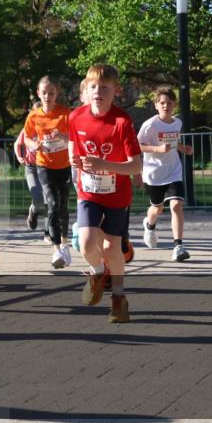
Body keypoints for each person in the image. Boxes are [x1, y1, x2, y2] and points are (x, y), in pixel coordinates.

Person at [68, 64, 142, 323]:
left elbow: (136, 165)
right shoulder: (76, 117)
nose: (98, 91)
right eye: (93, 87)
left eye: (105, 87)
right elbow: (76, 150)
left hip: (117, 196)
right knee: (86, 243)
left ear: (116, 92)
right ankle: (98, 273)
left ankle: (119, 299)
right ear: (86, 90)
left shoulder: (122, 122)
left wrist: (104, 165)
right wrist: (76, 166)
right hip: (88, 192)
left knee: (112, 248)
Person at [138, 86, 194, 262]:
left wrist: (183, 148)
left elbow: (174, 141)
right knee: (157, 208)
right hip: (154, 173)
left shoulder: (177, 123)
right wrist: (156, 149)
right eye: (162, 103)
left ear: (174, 105)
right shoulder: (150, 125)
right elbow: (137, 145)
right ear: (156, 105)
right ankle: (149, 224)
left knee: (176, 205)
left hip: (173, 171)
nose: (165, 106)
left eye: (169, 103)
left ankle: (178, 246)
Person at [24, 77, 73, 269]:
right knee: (52, 204)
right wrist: (34, 144)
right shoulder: (34, 116)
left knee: (62, 206)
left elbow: (76, 136)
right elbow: (27, 137)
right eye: (44, 93)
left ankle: (65, 241)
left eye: (51, 93)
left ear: (56, 94)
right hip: (44, 165)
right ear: (38, 93)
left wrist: (65, 136)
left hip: (64, 166)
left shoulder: (65, 113)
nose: (47, 96)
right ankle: (56, 250)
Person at [13, 104, 46, 236]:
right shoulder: (27, 129)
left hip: (46, 167)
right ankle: (33, 211)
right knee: (37, 198)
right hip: (31, 167)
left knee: (49, 200)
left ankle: (49, 233)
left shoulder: (48, 129)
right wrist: (19, 156)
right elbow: (17, 144)